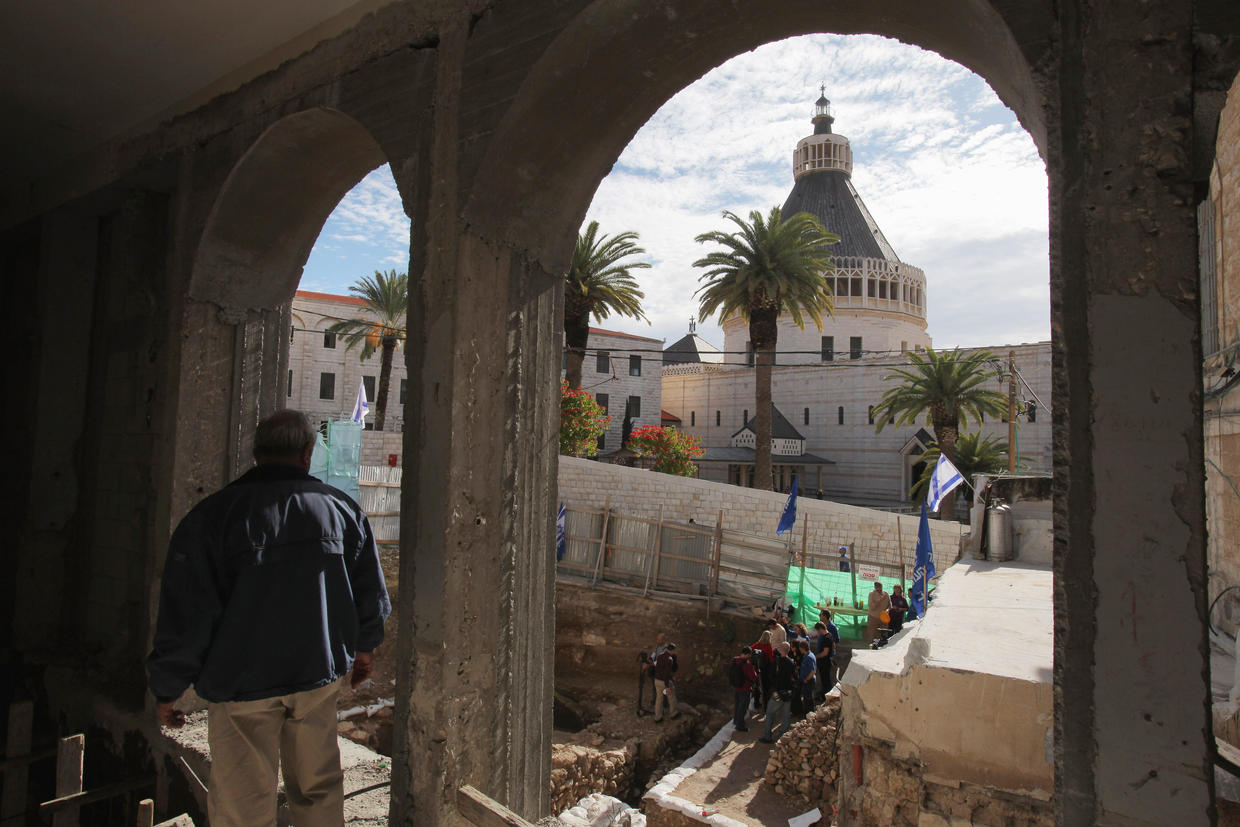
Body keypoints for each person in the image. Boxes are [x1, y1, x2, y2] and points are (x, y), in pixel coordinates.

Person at [147, 410, 391, 827]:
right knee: (318, 792)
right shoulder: (341, 511)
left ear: (256, 453)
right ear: (307, 453)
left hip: (243, 685)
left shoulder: (213, 517)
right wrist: (364, 650)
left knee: (243, 802)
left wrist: (167, 688)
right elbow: (369, 593)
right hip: (315, 677)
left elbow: (187, 614)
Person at [759, 642, 796, 743]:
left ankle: (767, 736)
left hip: (778, 692)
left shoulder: (777, 661)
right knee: (786, 715)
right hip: (787, 692)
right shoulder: (791, 662)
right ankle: (782, 736)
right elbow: (794, 677)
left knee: (770, 713)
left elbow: (771, 676)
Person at [729, 646, 759, 732]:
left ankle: (736, 720)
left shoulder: (734, 661)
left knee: (737, 704)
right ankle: (740, 725)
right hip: (745, 688)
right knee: (743, 706)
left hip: (736, 686)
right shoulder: (747, 664)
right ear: (747, 654)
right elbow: (753, 677)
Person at [653, 643, 680, 722]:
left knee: (659, 699)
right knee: (671, 697)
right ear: (673, 650)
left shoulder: (660, 656)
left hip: (657, 680)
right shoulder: (669, 659)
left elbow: (657, 667)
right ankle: (673, 713)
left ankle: (658, 717)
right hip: (664, 681)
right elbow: (666, 673)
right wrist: (667, 686)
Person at [750, 629, 775, 711]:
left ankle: (756, 703)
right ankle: (766, 706)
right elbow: (771, 660)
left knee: (756, 687)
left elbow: (750, 649)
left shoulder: (757, 644)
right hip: (765, 671)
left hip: (756, 669)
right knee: (765, 688)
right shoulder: (768, 647)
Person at [813, 621, 835, 699]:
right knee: (826, 679)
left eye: (818, 631)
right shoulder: (830, 635)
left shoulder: (826, 638)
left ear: (820, 629)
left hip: (824, 662)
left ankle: (825, 696)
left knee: (825, 679)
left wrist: (816, 656)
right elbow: (833, 646)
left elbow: (825, 652)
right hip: (827, 661)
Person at [866, 580, 892, 645]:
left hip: (884, 618)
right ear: (875, 588)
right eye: (878, 590)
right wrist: (880, 600)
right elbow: (872, 607)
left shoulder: (886, 594)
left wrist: (887, 610)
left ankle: (881, 649)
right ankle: (871, 648)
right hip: (873, 618)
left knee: (883, 635)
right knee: (872, 635)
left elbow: (890, 605)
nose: (879, 591)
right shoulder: (871, 594)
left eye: (880, 589)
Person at [796, 638, 817, 716]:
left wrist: (806, 679)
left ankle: (810, 714)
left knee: (808, 699)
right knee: (806, 698)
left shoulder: (809, 657)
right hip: (807, 680)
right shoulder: (806, 656)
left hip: (809, 681)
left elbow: (813, 671)